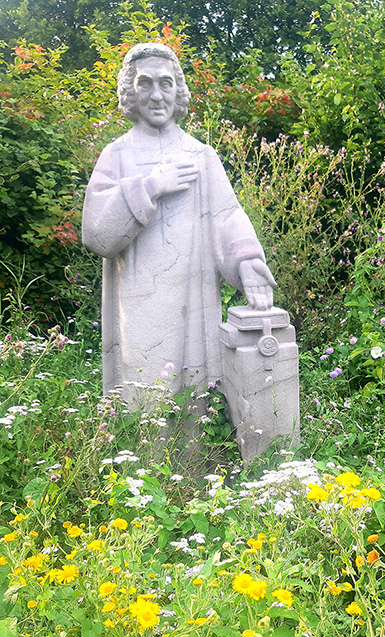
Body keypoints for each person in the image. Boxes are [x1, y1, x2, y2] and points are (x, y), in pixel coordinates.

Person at [82, 42, 276, 404]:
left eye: (166, 83)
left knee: (194, 402)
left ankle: (196, 446)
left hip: (193, 303)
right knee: (143, 403)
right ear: (130, 91)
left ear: (178, 90)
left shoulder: (201, 156)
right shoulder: (116, 155)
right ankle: (137, 444)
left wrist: (247, 260)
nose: (157, 95)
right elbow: (97, 235)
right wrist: (151, 186)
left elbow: (228, 217)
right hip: (139, 308)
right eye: (145, 83)